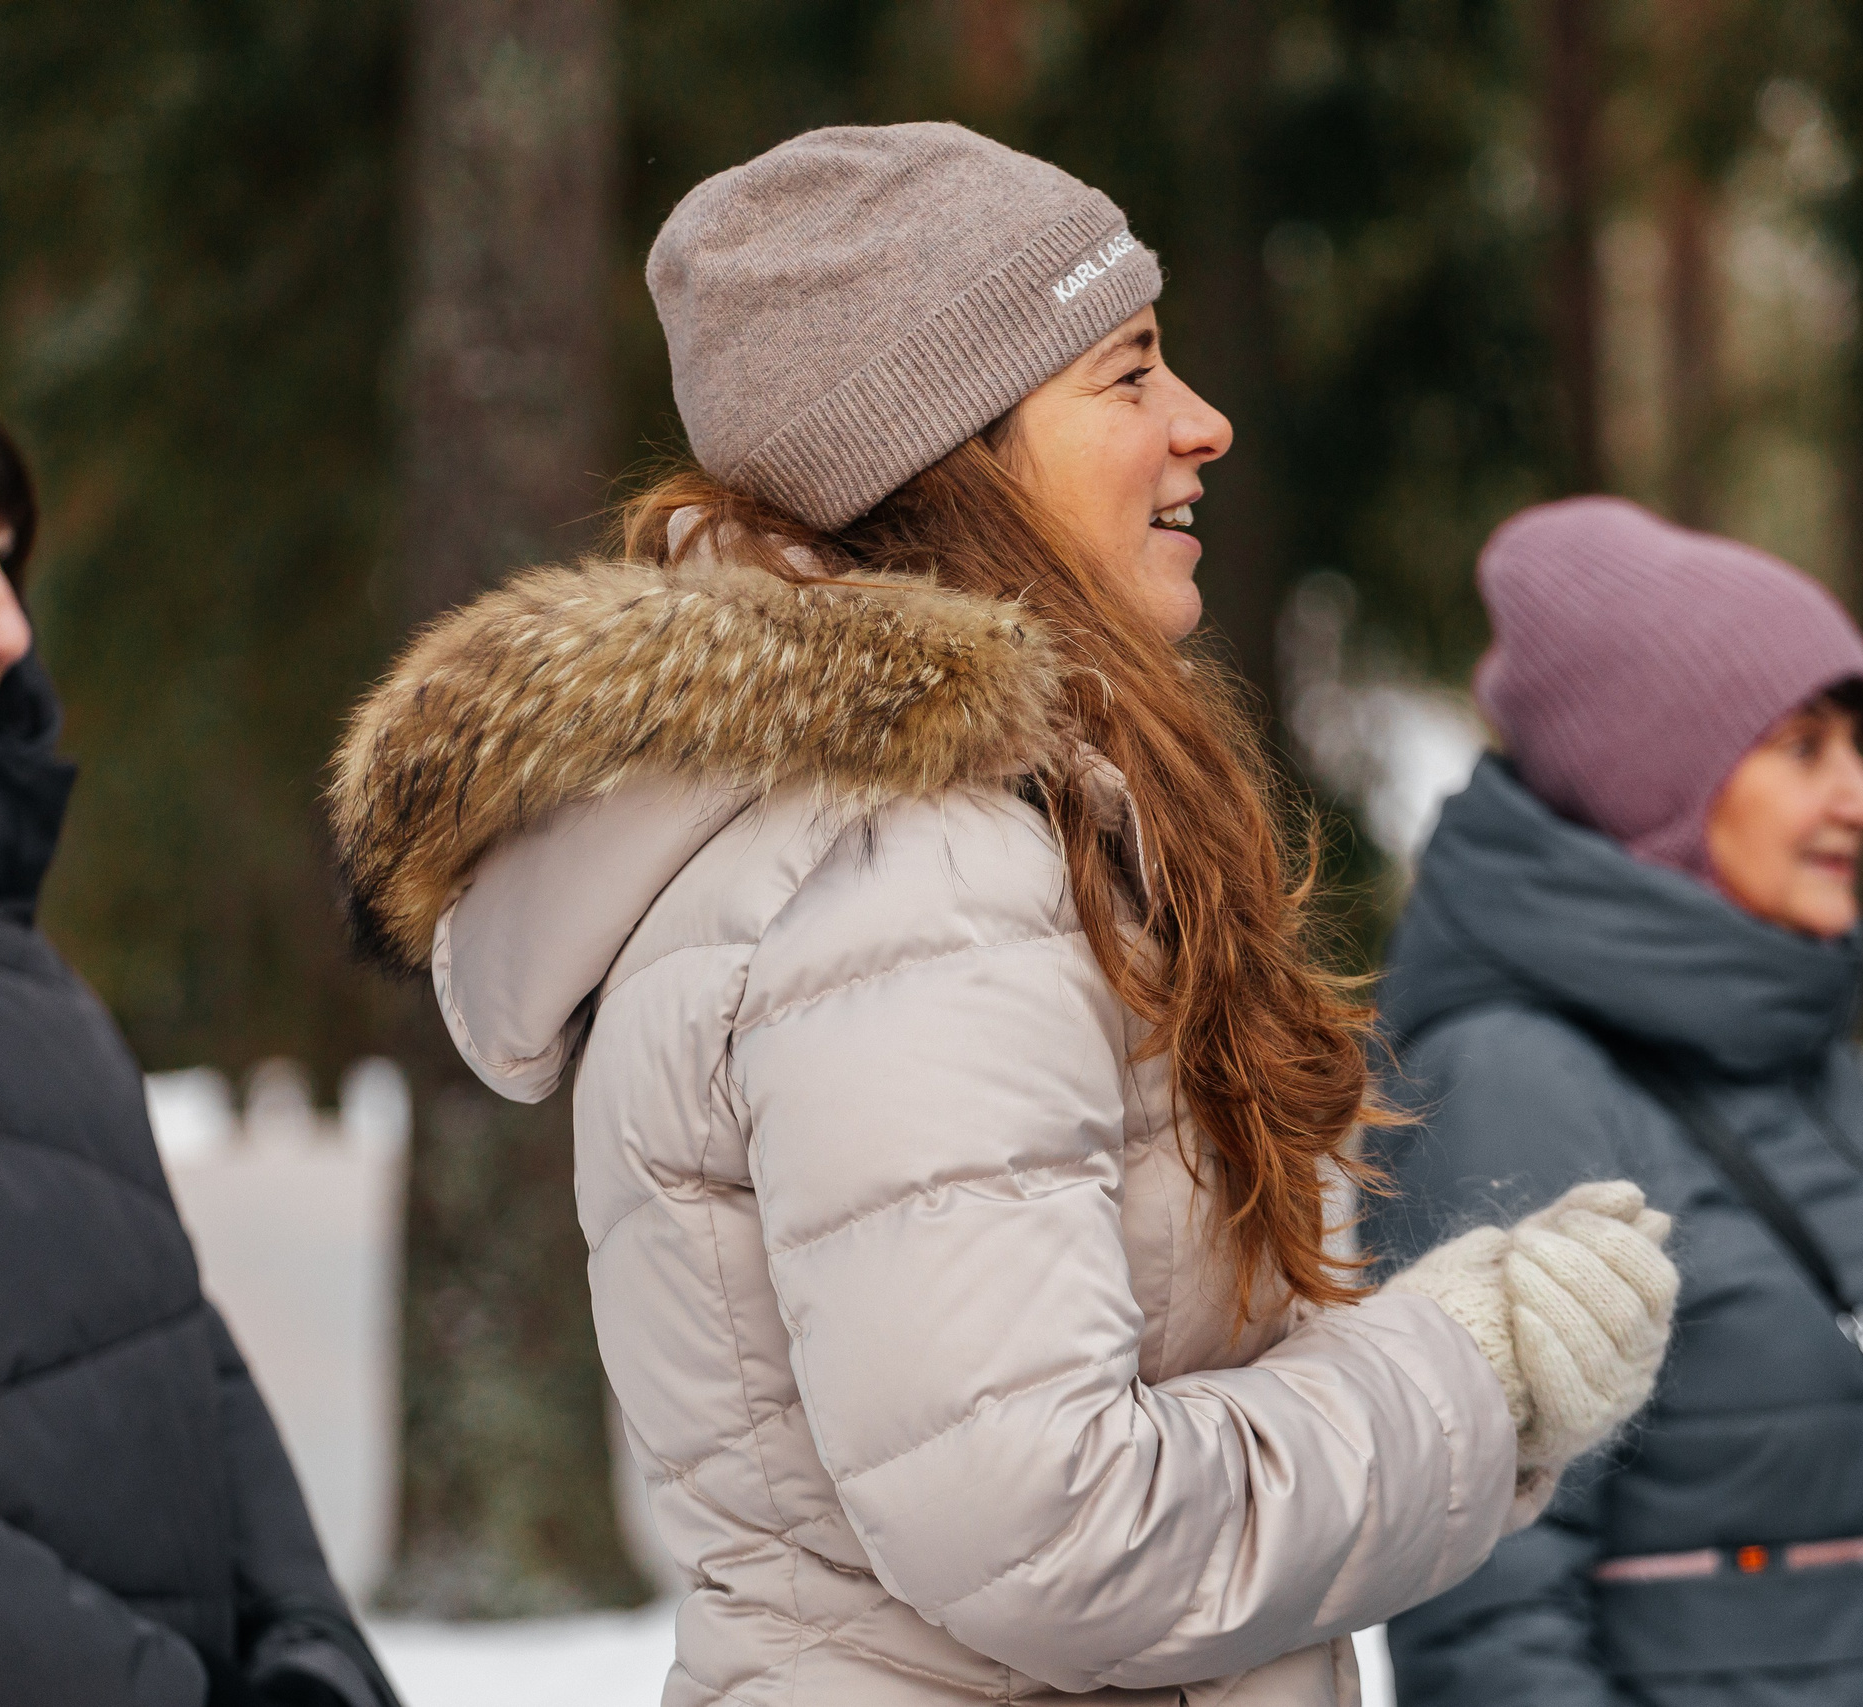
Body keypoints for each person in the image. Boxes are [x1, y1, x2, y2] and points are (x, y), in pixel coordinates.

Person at [328, 123, 1681, 1705]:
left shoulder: (966, 835)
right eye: (1126, 372)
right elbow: (1054, 1526)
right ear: (950, 451)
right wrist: (1471, 1371)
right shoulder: (912, 874)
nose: (1204, 421)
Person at [0, 339, 399, 1707]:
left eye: (2, 563)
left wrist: (312, 1649)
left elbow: (172, 1336)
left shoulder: (13, 960)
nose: (4, 625)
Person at [1369, 496, 1863, 1707]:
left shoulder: (1783, 1030)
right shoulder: (1512, 1081)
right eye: (1805, 748)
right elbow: (1485, 1627)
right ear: (1653, 774)